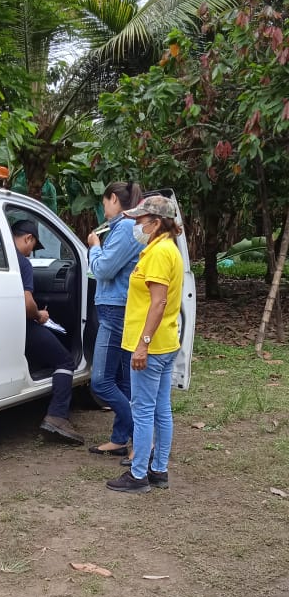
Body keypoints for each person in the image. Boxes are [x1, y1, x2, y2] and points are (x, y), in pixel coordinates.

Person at [106, 194, 184, 494]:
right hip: (165, 343)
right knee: (161, 408)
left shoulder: (158, 253)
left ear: (157, 222)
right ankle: (158, 470)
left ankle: (138, 474)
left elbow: (158, 302)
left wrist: (143, 345)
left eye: (140, 220)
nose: (136, 225)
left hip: (151, 346)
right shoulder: (167, 249)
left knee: (143, 411)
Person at [11, 218, 84, 445]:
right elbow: (27, 304)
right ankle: (57, 416)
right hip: (22, 326)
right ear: (28, 238)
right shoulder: (22, 263)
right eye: (33, 246)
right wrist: (39, 315)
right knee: (65, 361)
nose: (31, 252)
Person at [86, 181, 143, 457]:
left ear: (114, 199)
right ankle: (121, 439)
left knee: (101, 382)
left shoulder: (125, 228)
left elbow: (103, 269)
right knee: (124, 382)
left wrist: (94, 247)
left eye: (104, 202)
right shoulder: (126, 227)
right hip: (120, 307)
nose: (103, 208)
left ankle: (142, 435)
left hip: (115, 310)